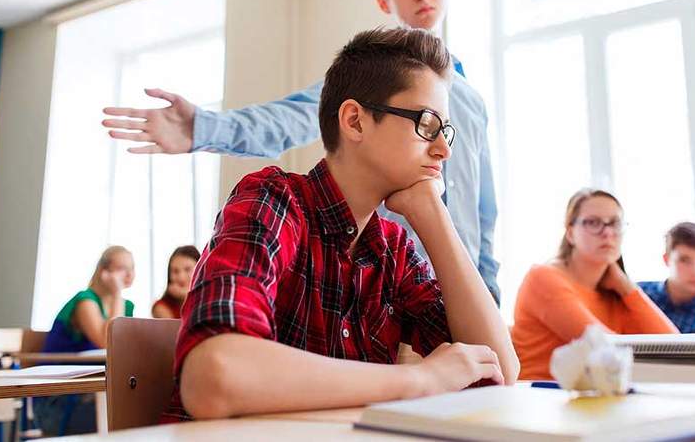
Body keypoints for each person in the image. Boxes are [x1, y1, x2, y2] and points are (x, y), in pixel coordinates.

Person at [101, 0, 501, 304]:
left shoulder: (471, 102)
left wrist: (488, 298)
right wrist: (203, 128)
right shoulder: (370, 84)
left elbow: (484, 215)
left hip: (463, 299)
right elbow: (287, 119)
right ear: (384, 0)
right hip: (392, 298)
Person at [161, 27, 519, 422]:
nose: (444, 148)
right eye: (427, 124)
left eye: (445, 132)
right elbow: (214, 377)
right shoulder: (274, 200)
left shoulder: (393, 247)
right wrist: (420, 379)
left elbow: (499, 371)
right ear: (355, 121)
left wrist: (434, 215)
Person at [510, 189, 677, 381]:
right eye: (593, 223)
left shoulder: (615, 292)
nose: (607, 232)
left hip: (597, 399)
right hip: (542, 398)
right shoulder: (543, 278)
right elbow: (608, 351)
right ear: (570, 233)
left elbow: (676, 347)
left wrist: (628, 289)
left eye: (615, 223)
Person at [35, 246, 135, 435]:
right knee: (131, 414)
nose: (129, 274)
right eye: (122, 268)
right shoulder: (85, 300)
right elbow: (106, 342)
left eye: (132, 268)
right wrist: (117, 294)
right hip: (58, 401)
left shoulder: (126, 306)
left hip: (91, 395)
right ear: (104, 272)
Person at [152, 245, 200, 319]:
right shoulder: (160, 307)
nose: (181, 278)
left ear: (200, 270)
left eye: (187, 269)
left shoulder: (209, 303)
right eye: (175, 271)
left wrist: (187, 294)